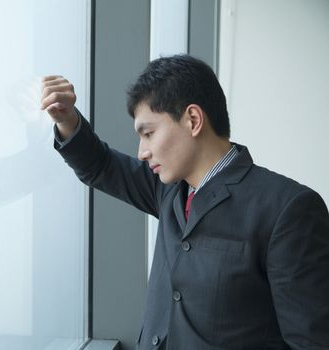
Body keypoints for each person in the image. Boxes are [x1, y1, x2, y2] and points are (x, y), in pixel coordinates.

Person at [40, 55, 329, 350]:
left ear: (193, 120)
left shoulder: (289, 209)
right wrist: (66, 118)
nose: (142, 152)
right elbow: (100, 166)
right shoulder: (168, 190)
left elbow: (310, 343)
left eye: (149, 133)